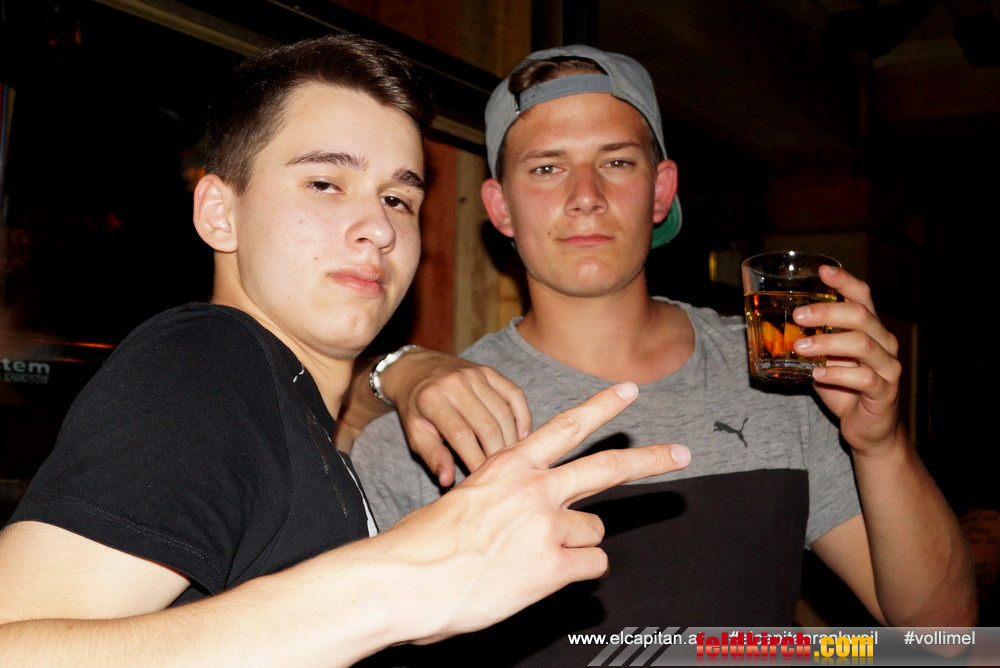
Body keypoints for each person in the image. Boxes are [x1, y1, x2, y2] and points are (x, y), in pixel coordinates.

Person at [0, 35, 692, 666]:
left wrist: (399, 376)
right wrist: (405, 582)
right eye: (326, 183)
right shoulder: (206, 365)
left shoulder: (292, 415)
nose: (377, 228)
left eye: (398, 199)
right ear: (219, 212)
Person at [350, 44, 976, 665]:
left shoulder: (782, 376)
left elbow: (946, 636)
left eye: (617, 161)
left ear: (661, 190)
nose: (586, 195)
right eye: (546, 168)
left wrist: (881, 443)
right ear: (499, 207)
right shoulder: (435, 428)